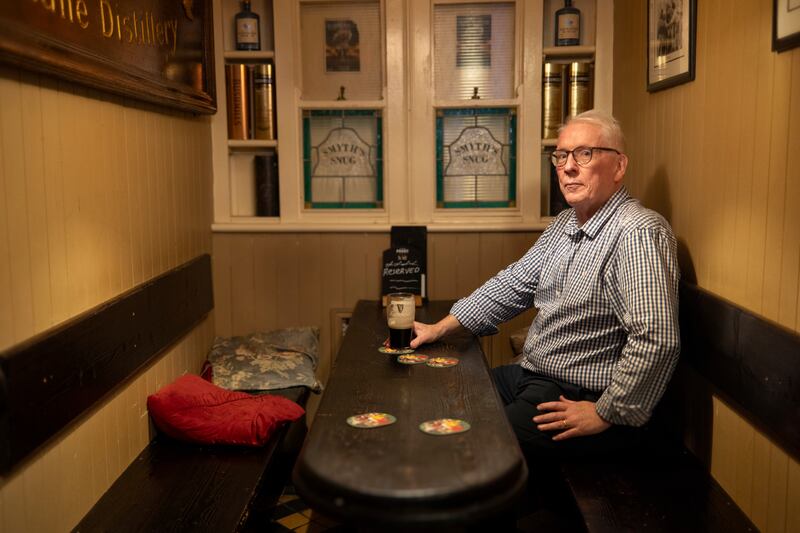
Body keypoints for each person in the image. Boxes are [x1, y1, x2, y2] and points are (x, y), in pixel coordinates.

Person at [411, 110, 680, 461]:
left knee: (466, 448)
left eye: (585, 154)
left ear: (619, 167)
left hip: (580, 396)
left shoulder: (637, 232)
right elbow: (513, 284)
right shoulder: (566, 223)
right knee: (444, 399)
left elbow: (657, 337)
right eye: (561, 155)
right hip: (534, 374)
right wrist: (440, 328)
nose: (568, 167)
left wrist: (606, 411)